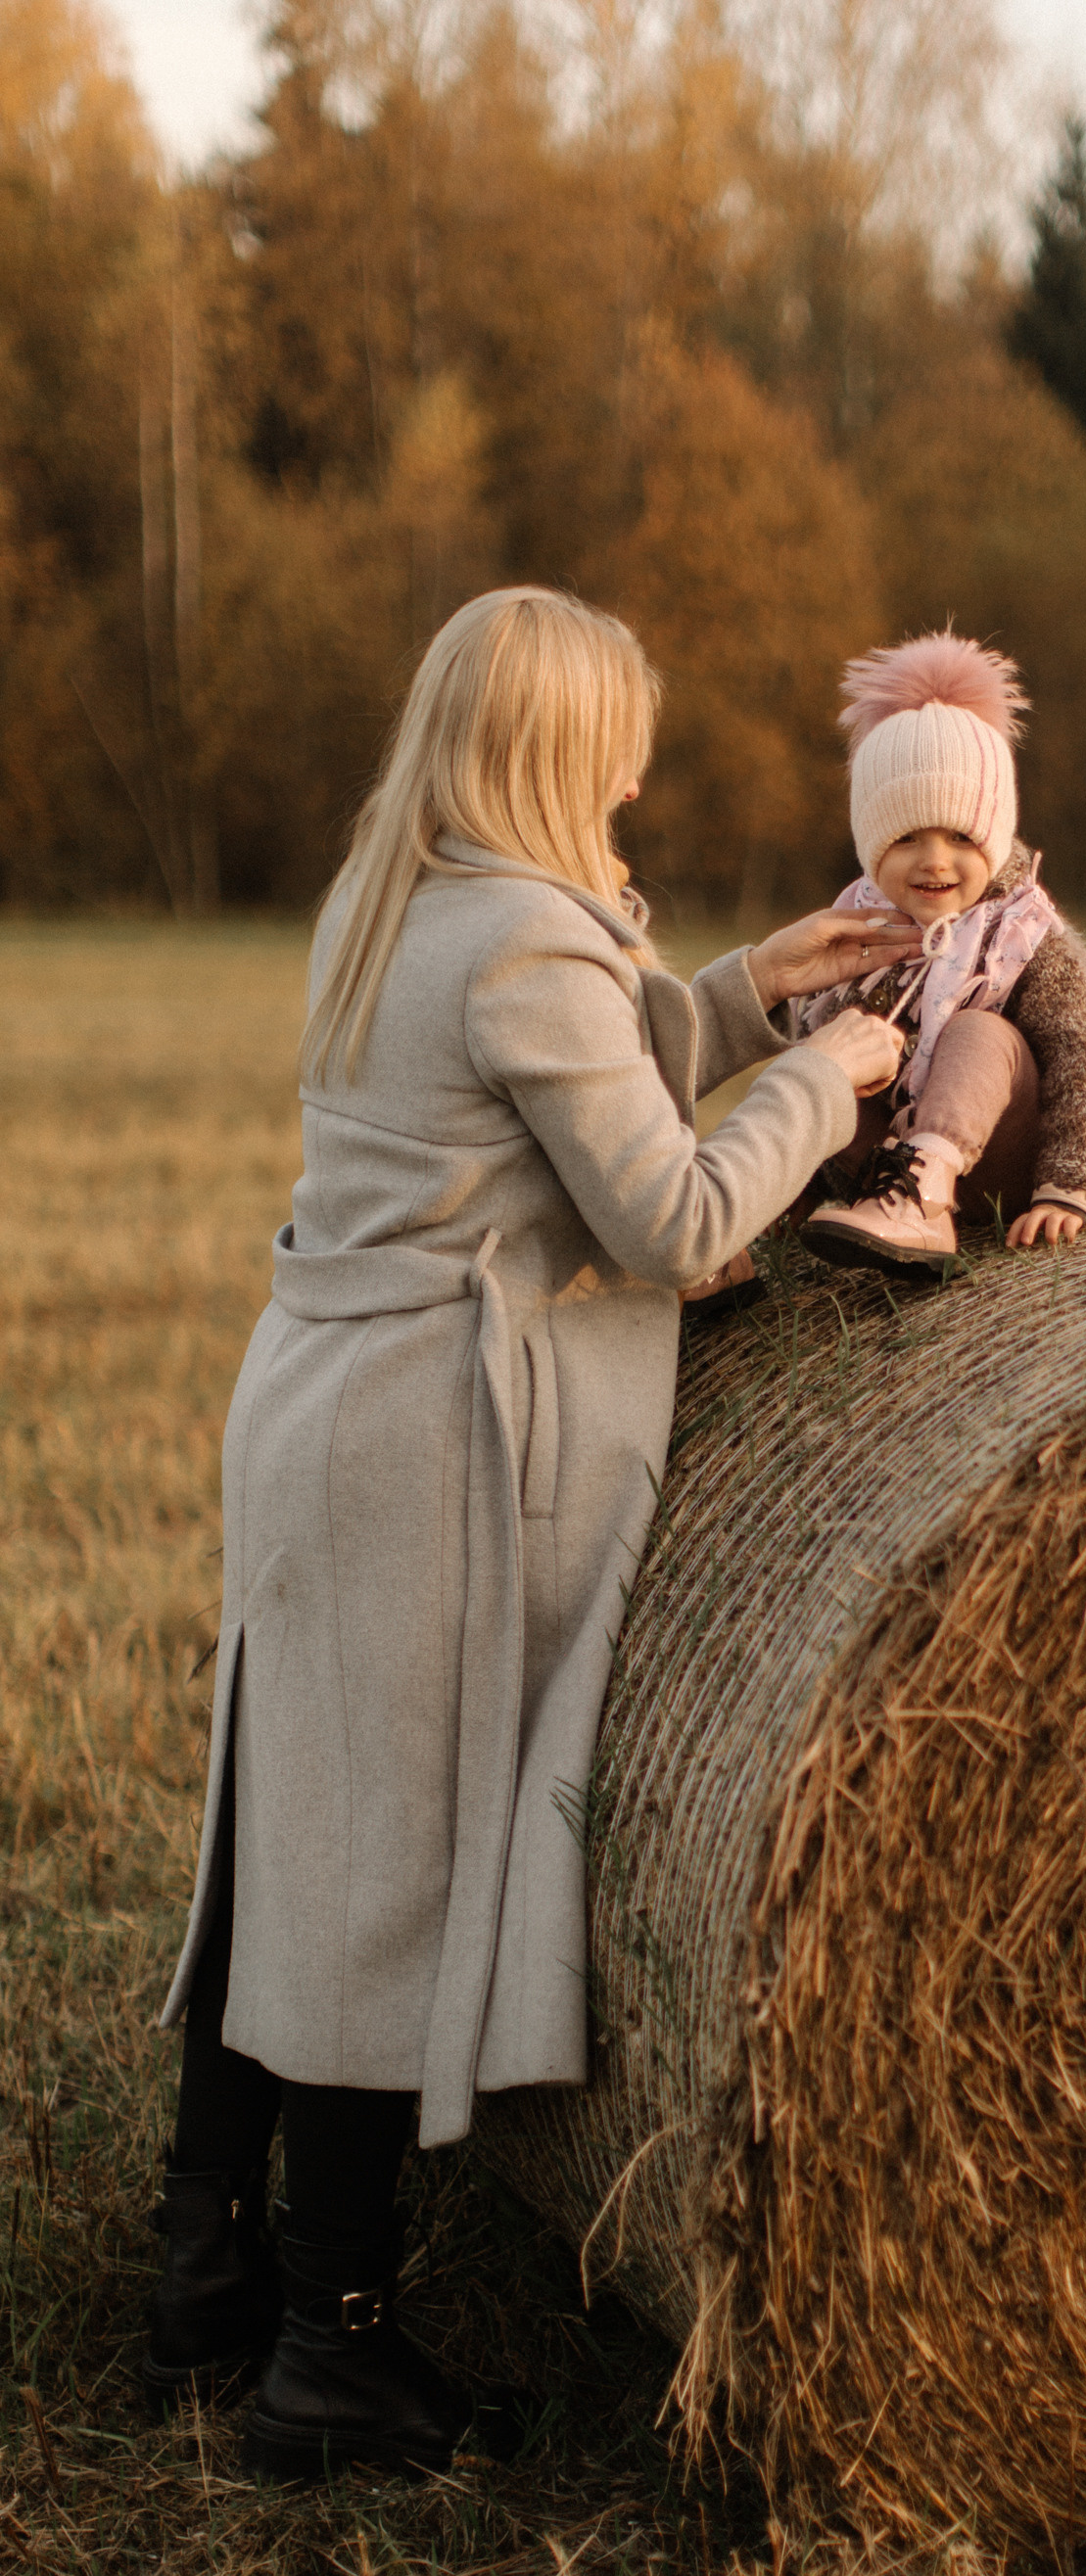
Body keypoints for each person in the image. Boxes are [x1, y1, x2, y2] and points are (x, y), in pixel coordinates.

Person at [141, 586, 909, 2478]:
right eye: (621, 735)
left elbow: (534, 1098)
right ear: (559, 748)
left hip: (320, 1403)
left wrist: (733, 990)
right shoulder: (529, 951)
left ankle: (201, 2269)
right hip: (429, 1447)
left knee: (288, 1825)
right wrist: (828, 1077)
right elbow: (666, 1219)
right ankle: (333, 2353)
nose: (641, 766)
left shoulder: (396, 895)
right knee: (375, 1873)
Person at [793, 632, 1086, 1269]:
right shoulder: (853, 927)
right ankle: (752, 1224)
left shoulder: (1024, 933)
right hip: (877, 1164)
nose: (935, 861)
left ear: (993, 835)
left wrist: (1073, 1186)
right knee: (819, 1060)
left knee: (980, 1033)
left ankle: (925, 1199)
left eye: (960, 836)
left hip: (1003, 1168)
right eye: (906, 838)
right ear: (872, 846)